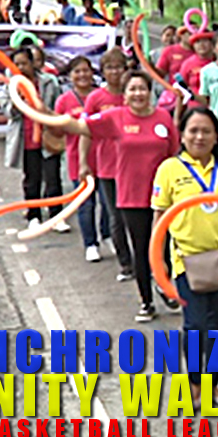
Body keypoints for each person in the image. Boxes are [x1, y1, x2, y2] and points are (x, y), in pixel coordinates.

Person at [57, 70, 180, 322]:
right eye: (132, 89)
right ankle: (146, 301)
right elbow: (82, 127)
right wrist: (48, 116)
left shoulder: (163, 118)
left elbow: (174, 155)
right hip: (131, 195)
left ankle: (163, 284)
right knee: (141, 249)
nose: (138, 94)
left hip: (162, 197)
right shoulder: (115, 117)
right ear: (124, 95)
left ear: (150, 92)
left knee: (165, 248)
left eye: (142, 89)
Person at [151, 107, 218, 406]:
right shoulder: (169, 169)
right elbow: (159, 217)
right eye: (193, 131)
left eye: (206, 131)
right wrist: (158, 260)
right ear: (183, 134)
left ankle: (212, 386)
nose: (199, 137)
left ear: (217, 136)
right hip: (185, 262)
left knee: (217, 325)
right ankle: (193, 383)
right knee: (195, 325)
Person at [0, 48, 65, 231]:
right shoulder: (8, 87)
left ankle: (56, 216)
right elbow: (8, 113)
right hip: (26, 139)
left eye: (24, 63)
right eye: (16, 64)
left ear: (33, 63)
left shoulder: (48, 82)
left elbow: (58, 105)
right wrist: (17, 100)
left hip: (47, 136)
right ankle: (34, 215)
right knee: (32, 179)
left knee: (53, 177)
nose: (20, 67)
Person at [53, 55, 111, 262]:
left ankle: (107, 235)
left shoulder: (101, 95)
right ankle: (90, 244)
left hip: (106, 159)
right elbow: (57, 132)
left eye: (86, 70)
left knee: (108, 203)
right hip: (79, 159)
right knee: (86, 205)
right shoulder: (64, 101)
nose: (82, 75)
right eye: (77, 71)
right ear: (70, 76)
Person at [85, 48, 133, 280]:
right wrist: (85, 163)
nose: (114, 72)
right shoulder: (96, 98)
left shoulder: (133, 94)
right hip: (108, 167)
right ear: (102, 71)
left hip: (135, 166)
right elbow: (85, 131)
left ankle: (147, 261)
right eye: (110, 68)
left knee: (138, 216)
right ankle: (125, 264)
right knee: (116, 217)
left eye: (118, 67)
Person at [177, 29, 215, 109]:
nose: (201, 45)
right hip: (194, 110)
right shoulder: (187, 64)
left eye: (205, 40)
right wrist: (177, 117)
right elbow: (181, 91)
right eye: (197, 42)